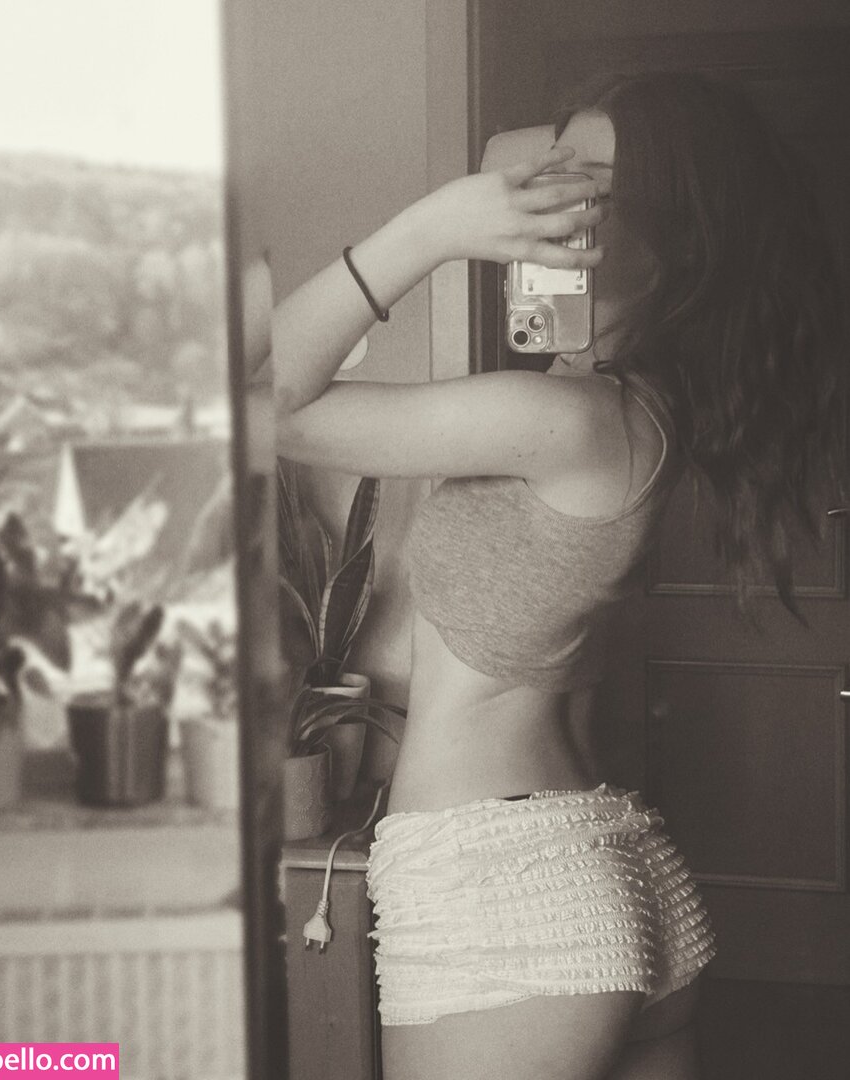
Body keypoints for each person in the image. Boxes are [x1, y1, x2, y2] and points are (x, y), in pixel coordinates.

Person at [267, 71, 844, 1080]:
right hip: (607, 860)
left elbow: (261, 404)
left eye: (594, 190)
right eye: (555, 174)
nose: (554, 203)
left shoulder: (564, 419)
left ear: (677, 239)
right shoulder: (624, 405)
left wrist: (429, 230)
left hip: (503, 895)